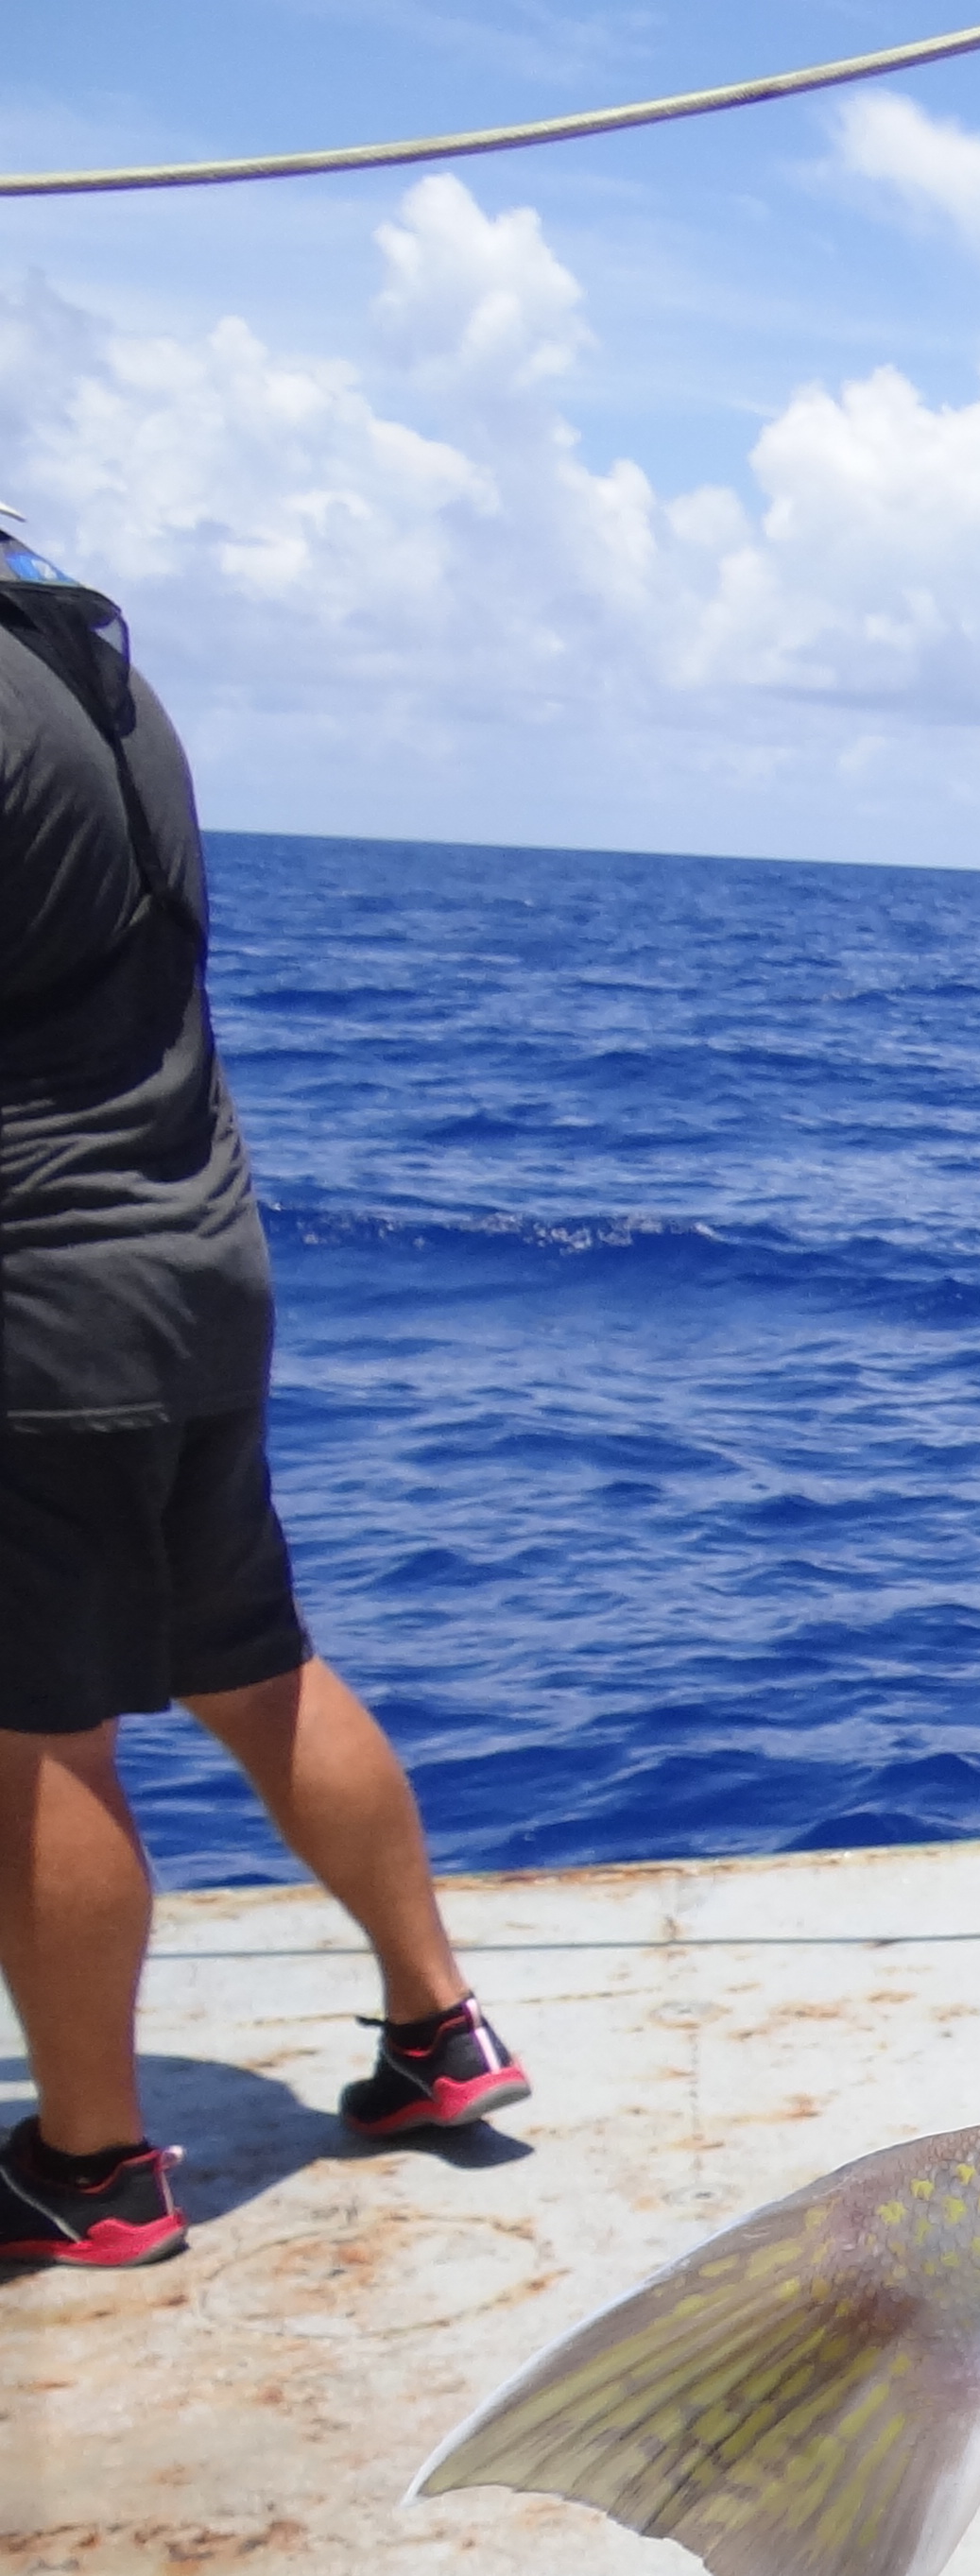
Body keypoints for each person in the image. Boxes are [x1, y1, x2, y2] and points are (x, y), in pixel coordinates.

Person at [4, 515, 529, 2275]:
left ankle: (92, 2170)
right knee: (253, 1664)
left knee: (32, 1730)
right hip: (198, 1270)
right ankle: (436, 2029)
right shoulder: (99, 677)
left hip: (37, 1299)